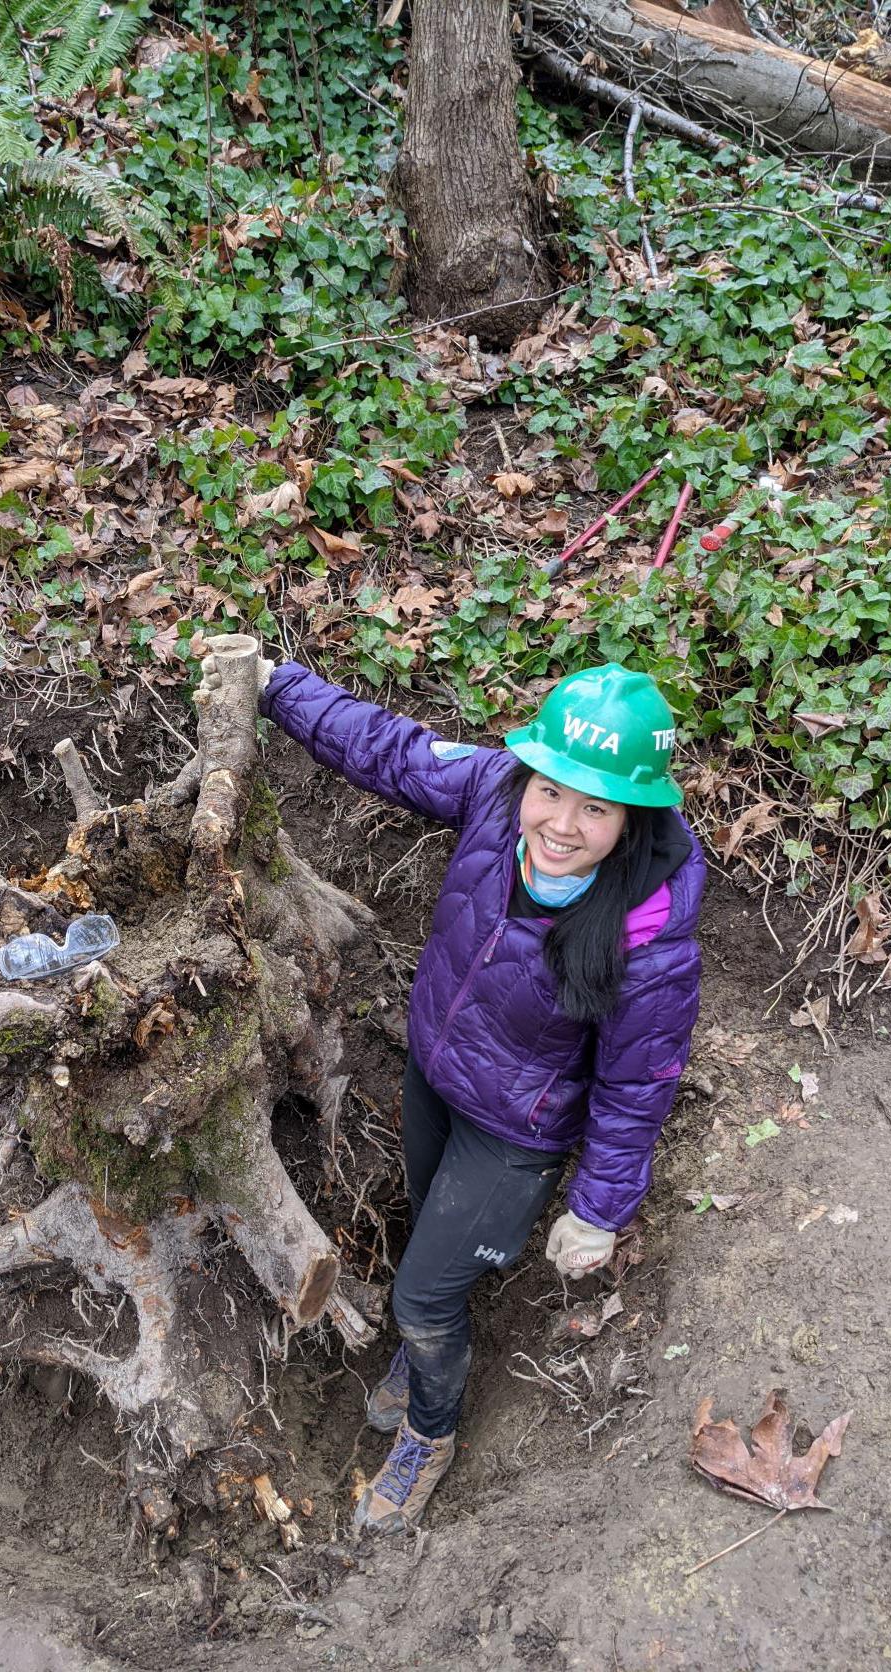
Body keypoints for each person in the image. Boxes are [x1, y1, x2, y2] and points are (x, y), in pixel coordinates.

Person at [207, 647, 704, 1536]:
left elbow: (640, 1086)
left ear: (634, 816)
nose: (560, 821)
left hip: (518, 1133)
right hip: (436, 1075)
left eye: (597, 807)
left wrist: (597, 1209)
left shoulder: (650, 938)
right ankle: (421, 1353)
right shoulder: (492, 791)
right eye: (551, 789)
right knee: (425, 1222)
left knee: (423, 1297)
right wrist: (277, 683)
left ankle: (431, 1434)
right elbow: (388, 749)